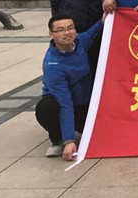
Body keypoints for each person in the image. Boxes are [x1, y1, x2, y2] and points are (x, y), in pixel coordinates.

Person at [36, 14, 103, 160]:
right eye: (60, 30)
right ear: (51, 34)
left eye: (70, 28)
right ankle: (58, 139)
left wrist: (105, 19)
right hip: (65, 104)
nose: (67, 33)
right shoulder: (52, 65)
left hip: (85, 104)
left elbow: (92, 32)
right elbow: (64, 103)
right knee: (46, 107)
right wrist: (69, 141)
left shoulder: (79, 42)